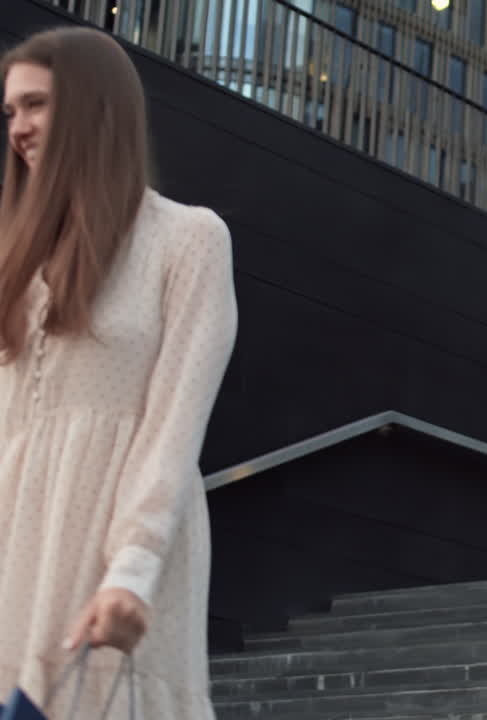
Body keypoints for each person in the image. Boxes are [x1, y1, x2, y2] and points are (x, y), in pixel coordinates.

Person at [0, 26, 236, 719]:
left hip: (114, 558)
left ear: (92, 108)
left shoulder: (186, 240)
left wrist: (133, 568)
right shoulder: (10, 257)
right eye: (10, 112)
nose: (20, 127)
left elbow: (173, 424)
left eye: (37, 105)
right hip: (13, 548)